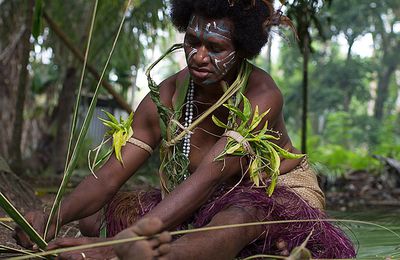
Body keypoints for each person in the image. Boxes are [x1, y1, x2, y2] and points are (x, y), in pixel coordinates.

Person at [14, 0, 356, 259]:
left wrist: (117, 247)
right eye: (193, 41)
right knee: (97, 216)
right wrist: (51, 217)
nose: (199, 56)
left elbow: (209, 177)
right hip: (202, 198)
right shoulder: (166, 96)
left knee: (240, 216)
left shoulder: (262, 96)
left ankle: (149, 254)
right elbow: (109, 177)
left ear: (241, 51)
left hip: (270, 193)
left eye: (216, 48)